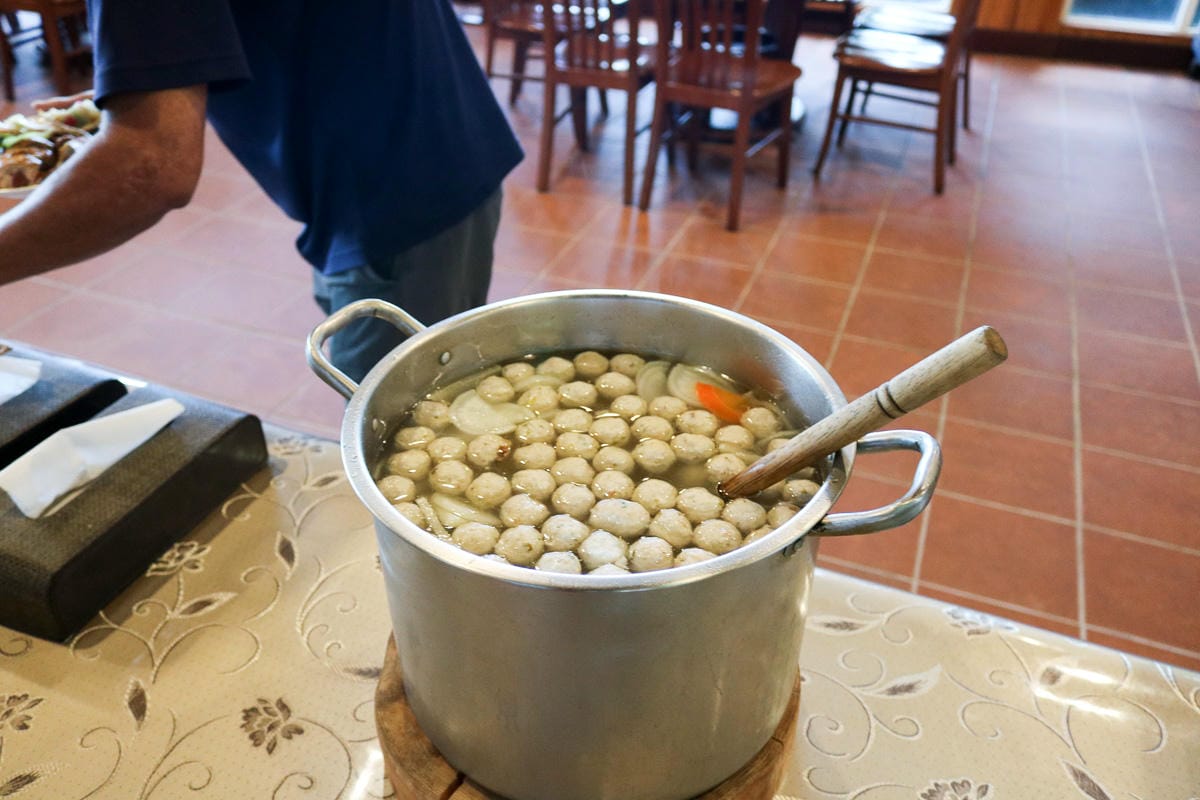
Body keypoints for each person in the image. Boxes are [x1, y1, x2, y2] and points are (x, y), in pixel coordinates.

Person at [0, 0, 523, 382]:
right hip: (423, 136)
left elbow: (152, 165)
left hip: (398, 190)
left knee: (402, 433)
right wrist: (138, 86)